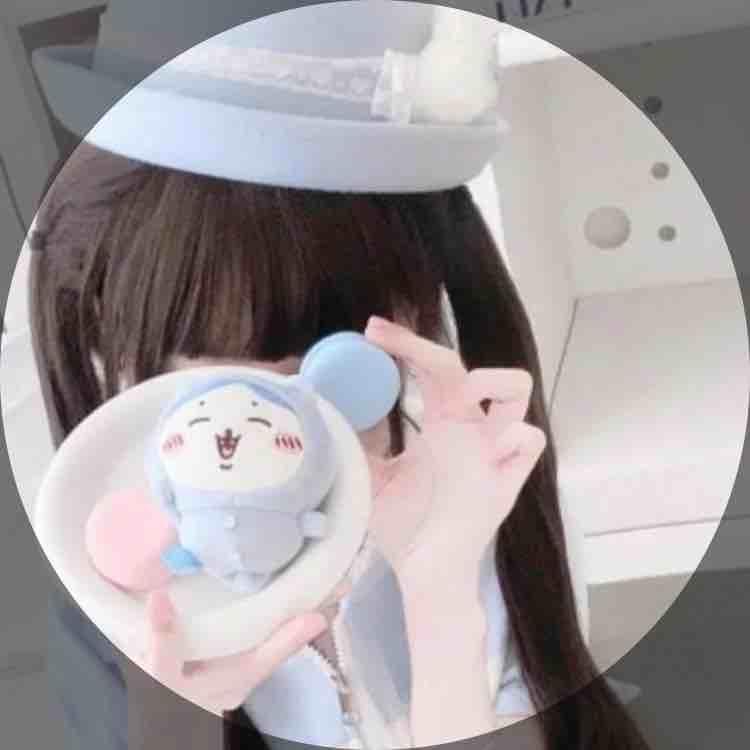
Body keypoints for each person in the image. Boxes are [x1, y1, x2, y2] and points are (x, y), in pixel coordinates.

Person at [27, 3, 651, 749]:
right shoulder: (113, 609)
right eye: (186, 386)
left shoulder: (483, 518)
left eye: (316, 374)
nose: (244, 435)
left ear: (413, 312)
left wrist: (440, 590)